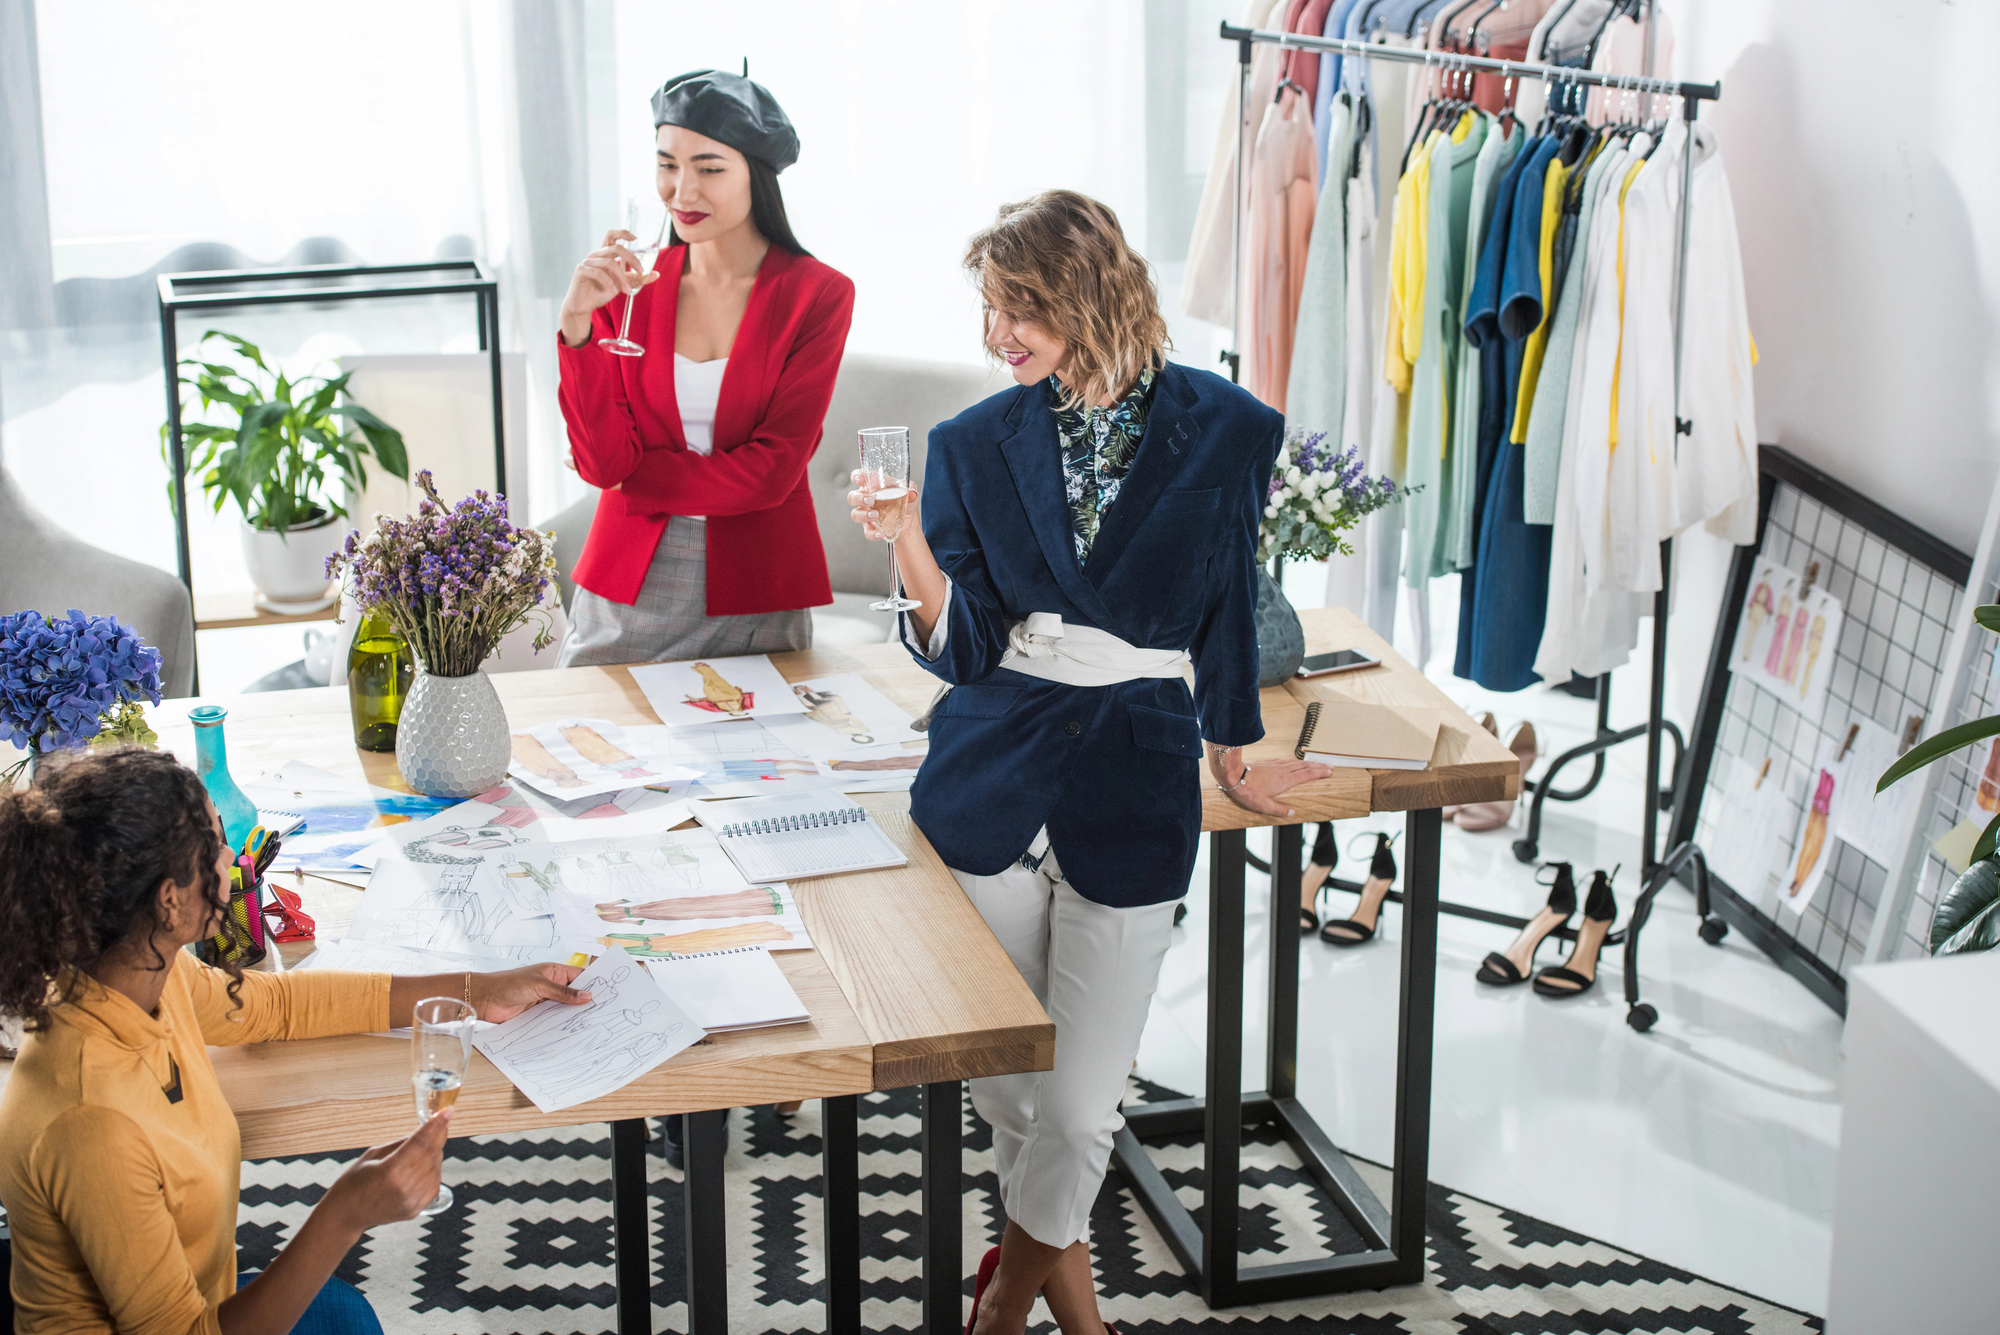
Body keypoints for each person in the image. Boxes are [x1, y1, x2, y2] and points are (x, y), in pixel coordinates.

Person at [850, 190, 1332, 1335]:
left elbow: (1224, 607)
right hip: (986, 784)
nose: (995, 335)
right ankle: (1081, 1314)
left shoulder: (1228, 427)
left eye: (1017, 307)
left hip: (1135, 778)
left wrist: (1234, 747)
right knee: (1016, 1093)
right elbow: (965, 651)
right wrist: (906, 542)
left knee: (1073, 1112)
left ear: (1088, 293)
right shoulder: (972, 443)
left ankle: (1004, 1304)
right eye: (987, 308)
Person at [0, 747, 592, 1335]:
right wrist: (344, 1215)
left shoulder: (140, 970)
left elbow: (273, 1004)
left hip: (209, 1300)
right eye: (214, 845)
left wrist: (477, 989)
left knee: (345, 1314)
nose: (233, 857)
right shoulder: (90, 1120)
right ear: (169, 899)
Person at [555, 69, 855, 668]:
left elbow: (772, 471)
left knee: (762, 757)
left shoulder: (817, 294)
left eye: (709, 169)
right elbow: (601, 464)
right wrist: (577, 328)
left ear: (756, 174)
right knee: (593, 751)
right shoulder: (628, 286)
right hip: (629, 580)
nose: (681, 191)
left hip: (757, 588)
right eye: (667, 164)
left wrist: (639, 479)